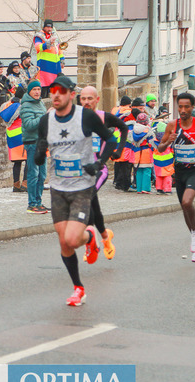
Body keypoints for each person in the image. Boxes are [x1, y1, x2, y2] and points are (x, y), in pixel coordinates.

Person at [34, 76, 119, 306]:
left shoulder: (86, 117)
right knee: (64, 242)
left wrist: (99, 163)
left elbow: (111, 140)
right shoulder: (46, 121)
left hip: (82, 187)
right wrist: (39, 152)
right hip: (58, 188)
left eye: (62, 91)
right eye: (53, 90)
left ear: (72, 95)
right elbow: (39, 158)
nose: (56, 94)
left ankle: (90, 236)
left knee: (72, 239)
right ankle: (78, 288)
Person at [157, 92, 195, 263]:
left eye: (187, 107)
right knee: (184, 207)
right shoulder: (172, 125)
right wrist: (168, 141)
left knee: (186, 202)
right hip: (179, 172)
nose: (183, 110)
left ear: (192, 107)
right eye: (180, 107)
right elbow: (160, 148)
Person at [78, 85, 129, 261]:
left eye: (89, 99)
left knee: (87, 197)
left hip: (99, 170)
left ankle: (90, 243)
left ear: (97, 100)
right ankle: (106, 238)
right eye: (83, 99)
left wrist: (119, 151)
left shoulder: (104, 117)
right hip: (81, 171)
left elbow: (124, 128)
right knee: (94, 207)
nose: (86, 102)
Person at [21, 80, 48, 213]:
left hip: (42, 143)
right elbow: (29, 125)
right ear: (29, 91)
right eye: (34, 90)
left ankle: (38, 201)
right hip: (32, 143)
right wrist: (44, 117)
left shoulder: (41, 103)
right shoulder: (26, 105)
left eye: (39, 89)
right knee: (34, 174)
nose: (37, 92)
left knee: (42, 175)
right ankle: (32, 204)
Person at [0, 87, 28, 193]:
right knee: (28, 159)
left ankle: (16, 185)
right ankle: (25, 183)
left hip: (11, 135)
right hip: (21, 134)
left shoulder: (7, 105)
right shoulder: (21, 106)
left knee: (17, 161)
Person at [33, 19, 63, 98]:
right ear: (44, 27)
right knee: (44, 87)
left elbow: (59, 48)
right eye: (48, 27)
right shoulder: (39, 36)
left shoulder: (54, 36)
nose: (49, 29)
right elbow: (38, 47)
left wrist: (62, 59)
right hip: (44, 66)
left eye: (51, 27)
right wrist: (49, 42)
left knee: (55, 88)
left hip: (55, 66)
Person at [111, 96, 135, 191]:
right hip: (126, 140)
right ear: (129, 104)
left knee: (119, 163)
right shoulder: (129, 112)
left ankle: (118, 182)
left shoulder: (116, 110)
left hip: (117, 138)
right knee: (126, 165)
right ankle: (125, 185)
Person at [131, 113, 156, 194]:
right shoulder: (147, 130)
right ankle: (145, 188)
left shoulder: (134, 129)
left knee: (138, 170)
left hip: (137, 151)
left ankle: (139, 188)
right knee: (147, 170)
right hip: (146, 151)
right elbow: (151, 141)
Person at [151, 115, 174, 194]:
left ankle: (159, 189)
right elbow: (172, 149)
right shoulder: (168, 140)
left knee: (158, 175)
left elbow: (152, 149)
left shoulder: (155, 140)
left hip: (157, 160)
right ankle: (167, 189)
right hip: (167, 161)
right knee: (167, 175)